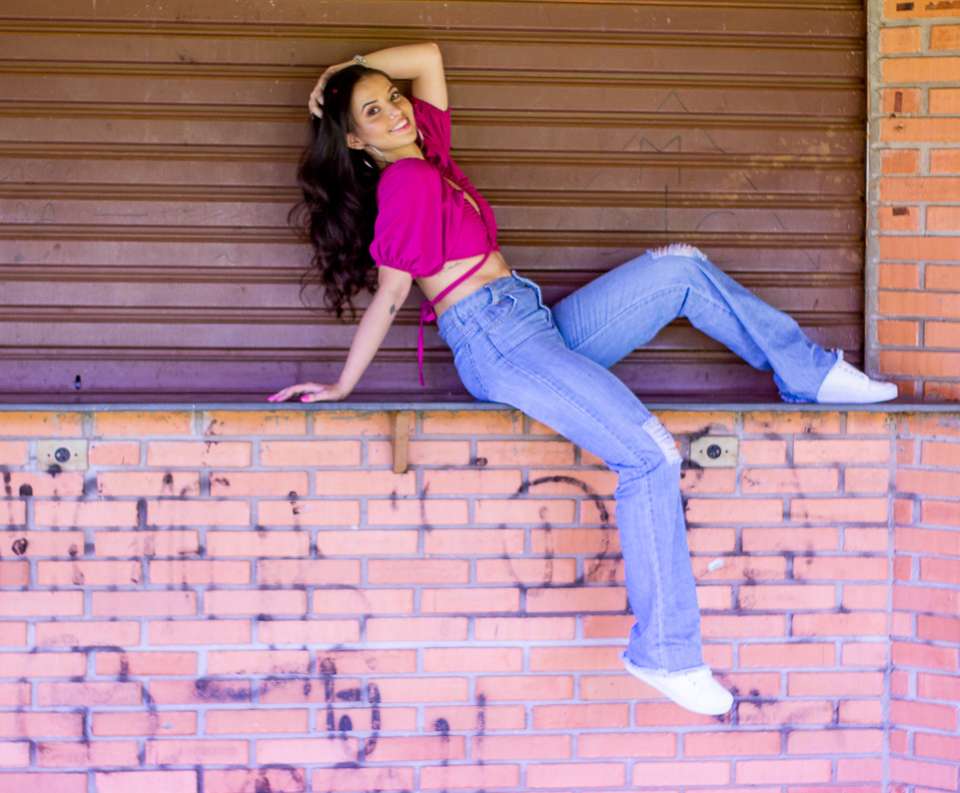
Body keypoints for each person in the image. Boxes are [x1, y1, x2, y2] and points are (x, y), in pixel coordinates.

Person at [269, 43, 897, 716]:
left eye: (393, 97)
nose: (396, 111)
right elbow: (394, 292)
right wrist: (343, 384)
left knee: (679, 269)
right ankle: (665, 652)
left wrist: (338, 74)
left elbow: (427, 57)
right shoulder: (406, 182)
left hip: (532, 322)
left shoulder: (430, 153)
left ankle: (808, 372)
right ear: (355, 141)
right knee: (650, 455)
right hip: (498, 342)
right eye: (373, 111)